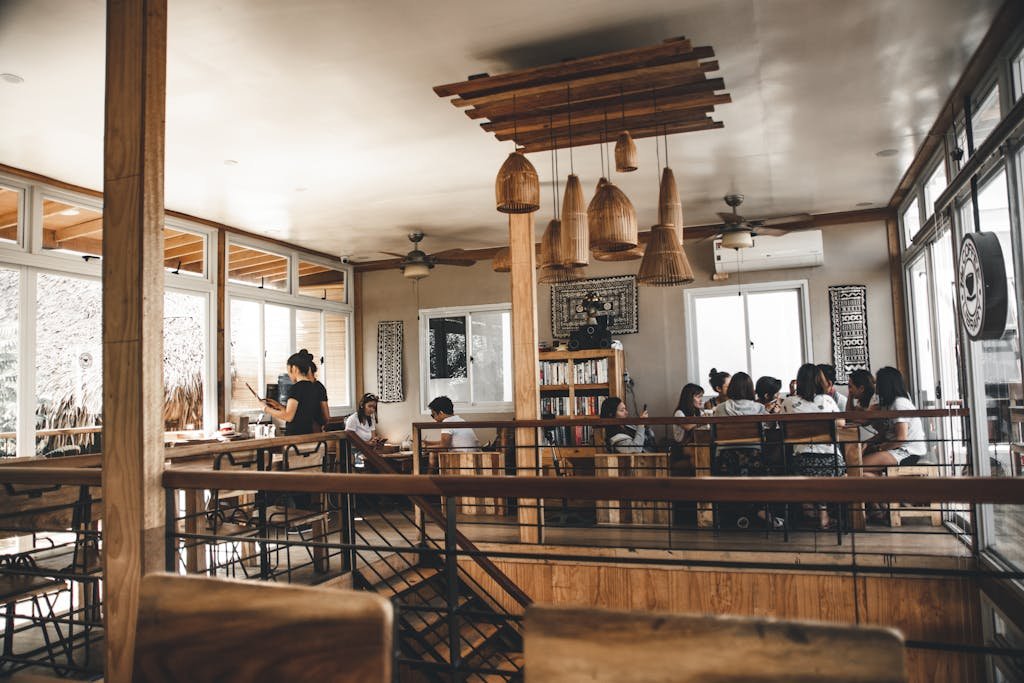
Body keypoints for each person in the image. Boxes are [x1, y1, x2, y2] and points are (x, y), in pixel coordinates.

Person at [782, 363, 846, 529]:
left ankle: (808, 509)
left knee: (798, 469)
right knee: (826, 475)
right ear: (820, 381)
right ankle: (823, 511)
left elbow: (780, 424)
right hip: (832, 463)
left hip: (802, 463)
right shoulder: (827, 400)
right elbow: (841, 423)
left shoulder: (789, 402)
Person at [863, 367, 927, 475]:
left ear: (885, 384)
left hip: (908, 451)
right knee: (863, 469)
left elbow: (901, 438)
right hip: (897, 448)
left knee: (857, 466)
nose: (875, 386)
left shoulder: (900, 403)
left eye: (877, 382)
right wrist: (867, 443)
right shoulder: (889, 404)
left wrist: (879, 448)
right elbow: (886, 434)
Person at [261, 349, 326, 436]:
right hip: (310, 437)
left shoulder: (296, 388)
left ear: (294, 368)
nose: (289, 375)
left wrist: (266, 409)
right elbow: (301, 413)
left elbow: (289, 417)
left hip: (295, 440)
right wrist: (279, 406)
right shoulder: (315, 387)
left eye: (289, 371)